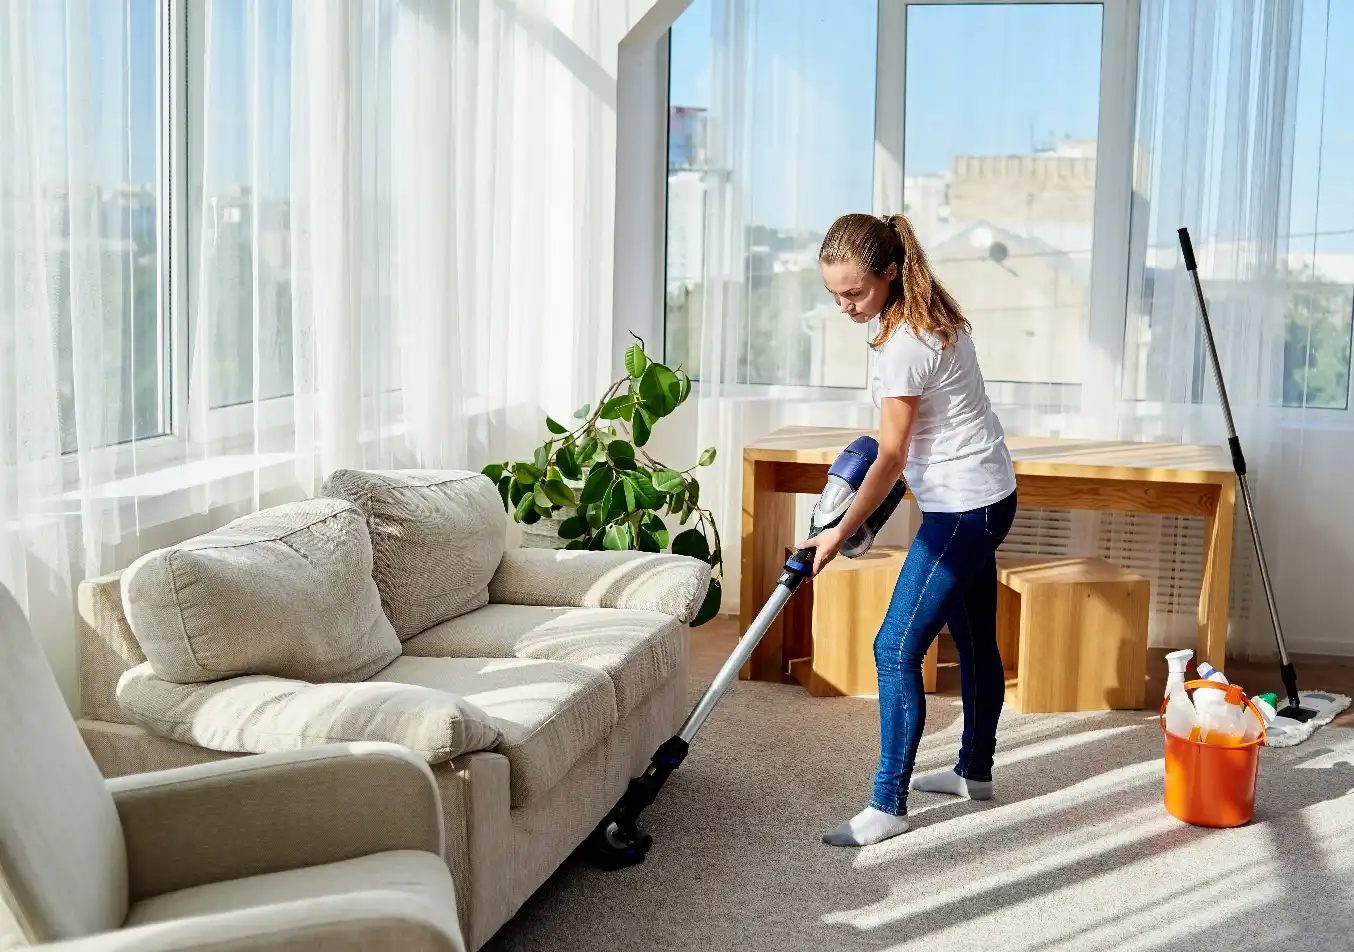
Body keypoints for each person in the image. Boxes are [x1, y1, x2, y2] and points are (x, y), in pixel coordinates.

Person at [799, 212, 1019, 847]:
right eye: (833, 293)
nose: (844, 305)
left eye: (854, 292)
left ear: (890, 273)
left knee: (895, 648)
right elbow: (906, 449)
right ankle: (974, 772)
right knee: (975, 639)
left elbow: (892, 456)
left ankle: (887, 803)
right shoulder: (927, 314)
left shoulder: (903, 343)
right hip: (990, 496)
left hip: (961, 510)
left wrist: (838, 533)